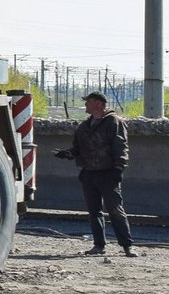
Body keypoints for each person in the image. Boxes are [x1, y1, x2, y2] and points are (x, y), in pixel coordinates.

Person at [54, 91, 137, 257]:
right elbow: (77, 149)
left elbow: (120, 146)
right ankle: (99, 245)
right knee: (94, 211)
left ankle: (127, 245)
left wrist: (119, 168)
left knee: (115, 210)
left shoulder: (114, 122)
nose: (85, 105)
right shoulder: (84, 126)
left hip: (108, 173)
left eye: (88, 102)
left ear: (99, 104)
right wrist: (67, 154)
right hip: (89, 173)